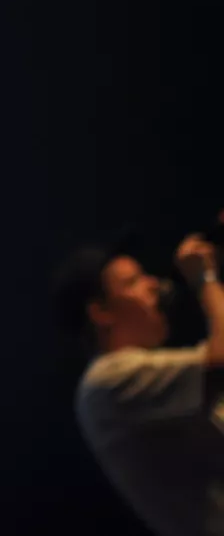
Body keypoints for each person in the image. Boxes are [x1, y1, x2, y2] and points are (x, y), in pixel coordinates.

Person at [54, 228, 224, 536]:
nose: (153, 284)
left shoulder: (152, 374)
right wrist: (205, 279)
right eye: (133, 282)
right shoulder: (106, 381)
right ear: (101, 312)